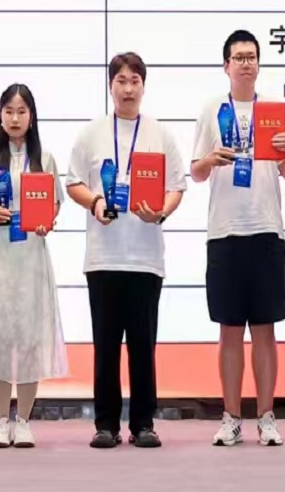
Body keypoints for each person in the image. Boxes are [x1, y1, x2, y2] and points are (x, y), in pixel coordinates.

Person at [67, 52, 186, 450]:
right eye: (121, 80)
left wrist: (161, 212)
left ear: (144, 87)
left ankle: (144, 423)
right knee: (105, 347)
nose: (128, 88)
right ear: (110, 86)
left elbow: (177, 187)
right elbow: (73, 182)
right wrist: (95, 202)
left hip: (145, 258)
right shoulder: (91, 134)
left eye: (135, 81)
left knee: (142, 346)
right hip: (103, 257)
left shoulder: (160, 134)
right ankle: (105, 424)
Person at [188, 30, 285, 447]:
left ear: (258, 63)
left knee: (265, 329)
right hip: (225, 231)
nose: (246, 63)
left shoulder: (272, 109)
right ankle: (231, 417)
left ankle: (267, 417)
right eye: (238, 57)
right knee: (230, 330)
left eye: (252, 57)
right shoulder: (211, 110)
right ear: (226, 65)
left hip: (266, 228)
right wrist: (210, 159)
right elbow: (196, 173)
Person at [0, 84, 67, 449]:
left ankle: (23, 421)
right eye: (9, 111)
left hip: (32, 257)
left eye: (21, 111)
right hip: (0, 255)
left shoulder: (45, 161)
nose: (14, 118)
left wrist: (46, 221)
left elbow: (54, 206)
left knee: (28, 339)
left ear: (32, 117)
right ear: (0, 116)